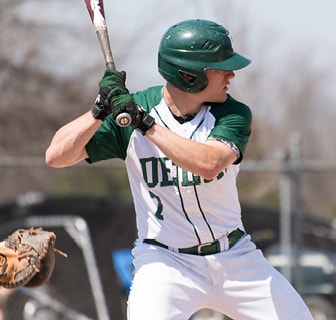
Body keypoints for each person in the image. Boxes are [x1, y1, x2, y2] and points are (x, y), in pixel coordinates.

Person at [45, 19, 313, 320]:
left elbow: (208, 164)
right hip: (165, 262)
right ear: (190, 76)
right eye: (220, 67)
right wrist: (99, 110)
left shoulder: (233, 113)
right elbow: (56, 155)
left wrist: (145, 124)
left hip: (235, 258)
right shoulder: (135, 111)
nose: (231, 74)